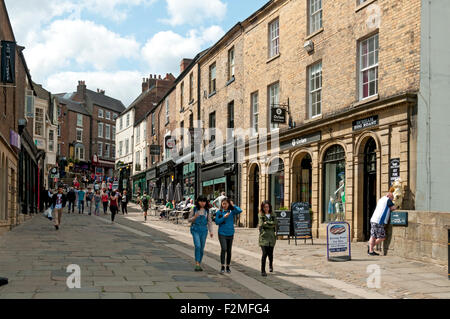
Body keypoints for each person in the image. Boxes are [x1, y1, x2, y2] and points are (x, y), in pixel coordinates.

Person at [214, 198, 242, 274]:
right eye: (223, 204)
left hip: (230, 233)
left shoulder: (231, 211)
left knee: (229, 250)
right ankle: (222, 266)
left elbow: (240, 211)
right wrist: (224, 217)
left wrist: (233, 205)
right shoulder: (219, 212)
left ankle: (228, 266)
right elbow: (217, 222)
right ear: (221, 204)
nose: (225, 205)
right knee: (224, 249)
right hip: (222, 233)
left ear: (228, 204)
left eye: (226, 203)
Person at [368, 190, 397, 256]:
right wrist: (396, 206)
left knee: (373, 236)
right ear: (389, 196)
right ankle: (371, 247)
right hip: (379, 221)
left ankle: (371, 250)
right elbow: (393, 208)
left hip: (373, 219)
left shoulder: (381, 199)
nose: (392, 199)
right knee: (382, 237)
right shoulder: (388, 200)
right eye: (392, 198)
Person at [188, 196, 213, 272]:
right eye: (201, 201)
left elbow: (209, 222)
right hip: (195, 229)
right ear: (198, 202)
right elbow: (189, 220)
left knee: (201, 248)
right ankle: (197, 263)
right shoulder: (194, 209)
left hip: (204, 230)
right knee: (198, 245)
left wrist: (211, 231)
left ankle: (199, 262)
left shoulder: (207, 211)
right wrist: (194, 217)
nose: (202, 203)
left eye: (204, 201)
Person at [258, 201, 277, 277]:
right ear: (262, 207)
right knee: (264, 254)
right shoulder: (261, 215)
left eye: (268, 207)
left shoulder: (273, 214)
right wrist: (270, 224)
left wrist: (267, 223)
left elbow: (275, 222)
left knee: (270, 253)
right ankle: (263, 270)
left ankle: (270, 265)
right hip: (264, 237)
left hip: (272, 237)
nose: (266, 208)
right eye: (265, 207)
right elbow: (262, 224)